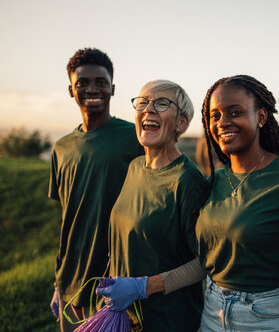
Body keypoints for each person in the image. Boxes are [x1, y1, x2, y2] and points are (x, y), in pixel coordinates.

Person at [195, 75, 279, 331]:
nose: (222, 122)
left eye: (235, 112)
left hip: (268, 315)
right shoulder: (212, 182)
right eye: (214, 115)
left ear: (261, 117)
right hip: (213, 311)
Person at [95, 80, 207, 331]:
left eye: (162, 103)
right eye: (143, 102)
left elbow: (205, 263)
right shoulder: (134, 167)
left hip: (168, 320)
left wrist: (140, 288)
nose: (149, 109)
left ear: (181, 123)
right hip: (125, 318)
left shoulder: (188, 181)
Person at [49, 48, 143, 332]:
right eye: (83, 83)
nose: (92, 89)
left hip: (114, 285)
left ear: (112, 88)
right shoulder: (61, 148)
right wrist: (58, 283)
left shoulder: (135, 138)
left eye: (100, 82)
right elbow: (68, 218)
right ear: (70, 90)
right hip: (69, 284)